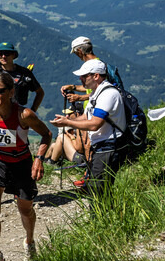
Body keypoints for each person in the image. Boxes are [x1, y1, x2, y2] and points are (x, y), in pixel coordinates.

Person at [0, 72, 52, 261]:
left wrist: (39, 159)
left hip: (21, 163)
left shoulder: (24, 115)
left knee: (25, 209)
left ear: (11, 92)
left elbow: (47, 134)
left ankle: (29, 241)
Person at [52, 60, 126, 197]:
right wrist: (67, 121)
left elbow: (94, 124)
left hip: (109, 147)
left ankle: (102, 217)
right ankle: (102, 216)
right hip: (101, 146)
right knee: (95, 187)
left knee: (97, 190)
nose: (81, 79)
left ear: (96, 76)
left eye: (84, 76)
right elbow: (86, 117)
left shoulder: (108, 94)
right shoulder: (95, 93)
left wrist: (68, 123)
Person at [61, 36, 124, 106]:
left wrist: (80, 97)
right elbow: (92, 86)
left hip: (98, 108)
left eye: (75, 53)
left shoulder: (96, 67)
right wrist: (73, 87)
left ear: (80, 51)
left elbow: (102, 91)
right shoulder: (97, 64)